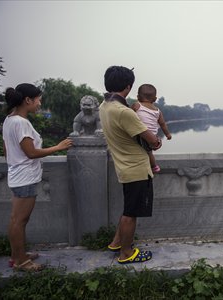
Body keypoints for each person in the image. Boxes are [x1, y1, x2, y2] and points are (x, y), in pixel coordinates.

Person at [2, 83, 72, 272]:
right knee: (20, 220)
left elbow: (7, 150)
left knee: (16, 219)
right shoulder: (22, 123)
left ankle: (17, 255)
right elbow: (31, 153)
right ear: (28, 100)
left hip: (17, 174)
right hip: (25, 177)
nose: (40, 103)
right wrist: (58, 147)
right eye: (38, 99)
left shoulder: (9, 119)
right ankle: (21, 262)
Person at [99, 66, 162, 264]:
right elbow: (153, 140)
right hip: (136, 168)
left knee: (129, 208)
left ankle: (116, 242)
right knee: (131, 213)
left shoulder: (105, 106)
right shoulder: (123, 112)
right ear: (128, 86)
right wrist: (158, 142)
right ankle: (126, 253)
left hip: (124, 165)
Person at [131, 84, 172, 173]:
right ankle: (154, 166)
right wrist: (167, 134)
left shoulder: (136, 105)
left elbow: (128, 116)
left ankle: (154, 167)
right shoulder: (157, 110)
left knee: (145, 151)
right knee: (149, 152)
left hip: (142, 134)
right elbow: (163, 124)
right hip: (153, 135)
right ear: (155, 99)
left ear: (138, 96)